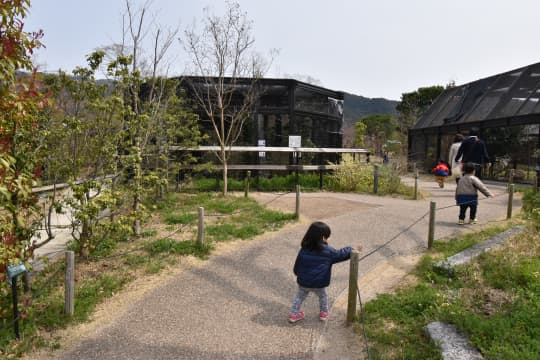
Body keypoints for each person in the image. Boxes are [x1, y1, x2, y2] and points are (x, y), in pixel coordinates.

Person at [289, 221, 363, 323]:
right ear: (323, 237)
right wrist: (351, 249)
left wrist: (300, 275)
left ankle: (293, 315)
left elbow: (296, 267)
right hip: (319, 283)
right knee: (323, 296)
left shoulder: (304, 249)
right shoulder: (328, 251)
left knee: (299, 297)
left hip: (303, 282)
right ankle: (323, 313)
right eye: (327, 237)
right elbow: (340, 254)